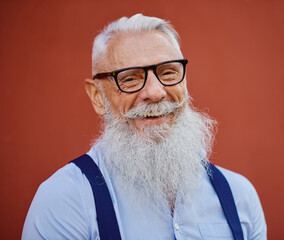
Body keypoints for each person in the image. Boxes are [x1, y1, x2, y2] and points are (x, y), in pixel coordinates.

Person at [22, 14, 267, 240]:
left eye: (169, 72)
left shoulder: (239, 197)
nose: (155, 92)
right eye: (129, 78)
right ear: (97, 96)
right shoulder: (66, 199)